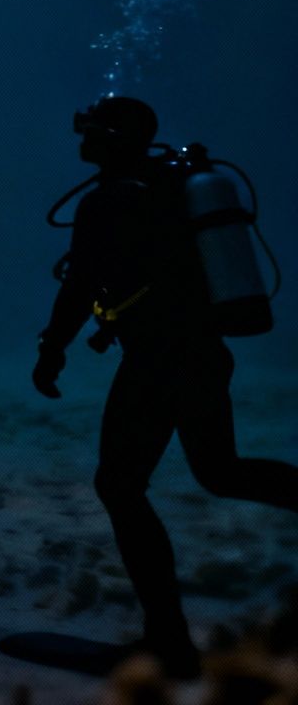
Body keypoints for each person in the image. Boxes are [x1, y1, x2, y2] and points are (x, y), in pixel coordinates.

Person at [32, 96, 298, 677]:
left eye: (92, 129)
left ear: (112, 139)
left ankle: (169, 644)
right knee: (220, 472)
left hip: (159, 359)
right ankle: (168, 639)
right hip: (203, 354)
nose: (82, 138)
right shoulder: (172, 185)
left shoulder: (109, 200)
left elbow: (79, 287)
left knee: (120, 486)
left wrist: (51, 350)